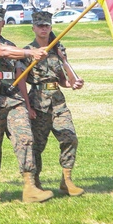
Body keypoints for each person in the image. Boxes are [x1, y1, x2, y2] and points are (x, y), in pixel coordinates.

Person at [0, 5, 53, 203]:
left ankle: (30, 186)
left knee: (25, 138)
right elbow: (0, 51)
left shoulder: (11, 44)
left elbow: (20, 75)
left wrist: (27, 104)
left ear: (3, 23)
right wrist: (30, 53)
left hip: (13, 100)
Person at [25, 10, 85, 196]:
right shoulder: (29, 51)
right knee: (37, 146)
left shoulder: (58, 49)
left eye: (47, 25)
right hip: (38, 102)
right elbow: (21, 80)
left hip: (58, 103)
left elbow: (61, 79)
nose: (44, 29)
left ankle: (66, 180)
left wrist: (72, 83)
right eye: (40, 25)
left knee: (70, 138)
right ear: (33, 27)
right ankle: (35, 183)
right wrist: (27, 107)